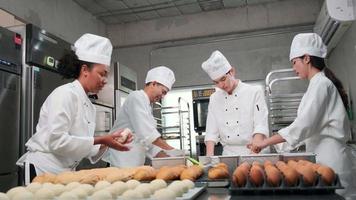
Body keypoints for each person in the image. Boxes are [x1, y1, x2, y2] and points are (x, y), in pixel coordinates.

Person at [249, 33, 356, 198]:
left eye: (294, 62)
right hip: (322, 158)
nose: (293, 68)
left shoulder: (321, 84)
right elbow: (306, 129)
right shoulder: (317, 85)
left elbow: (303, 126)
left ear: (306, 58)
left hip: (333, 162)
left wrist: (265, 142)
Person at [17, 33, 133, 183]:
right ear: (85, 70)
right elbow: (57, 141)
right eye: (102, 74)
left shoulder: (89, 105)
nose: (104, 81)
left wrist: (109, 142)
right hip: (43, 170)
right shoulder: (64, 94)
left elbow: (83, 146)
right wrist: (101, 139)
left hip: (65, 173)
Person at [104, 66, 184, 167]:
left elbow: (148, 143)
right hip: (122, 162)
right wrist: (172, 150)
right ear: (154, 83)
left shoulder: (147, 105)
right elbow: (148, 134)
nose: (163, 96)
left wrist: (169, 158)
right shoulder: (136, 97)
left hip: (135, 164)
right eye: (163, 91)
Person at [201, 50, 269, 156]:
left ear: (232, 71)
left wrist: (253, 153)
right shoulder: (214, 98)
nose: (221, 85)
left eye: (223, 79)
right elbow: (211, 131)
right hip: (229, 154)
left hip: (255, 150)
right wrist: (209, 158)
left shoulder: (254, 92)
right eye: (216, 82)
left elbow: (260, 124)